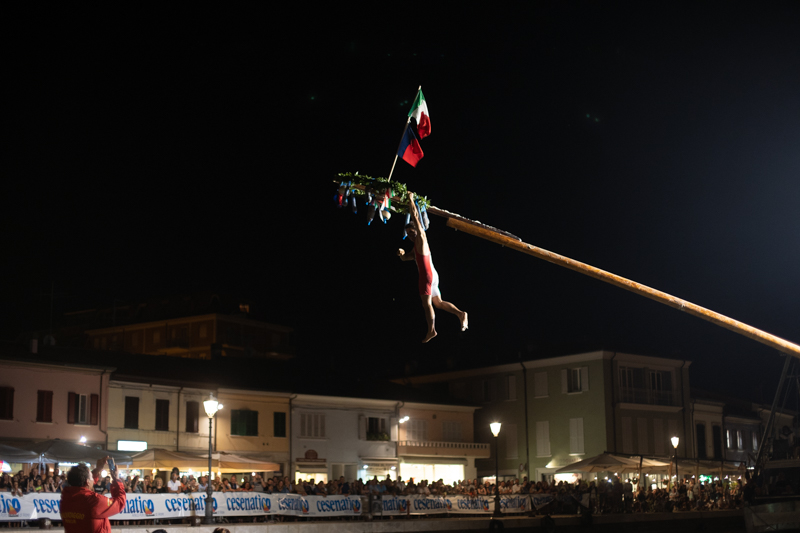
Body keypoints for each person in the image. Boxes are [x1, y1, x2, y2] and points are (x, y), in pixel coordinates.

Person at [397, 191, 468, 342]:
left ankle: (431, 330)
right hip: (433, 275)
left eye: (412, 232)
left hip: (426, 276)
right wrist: (401, 253)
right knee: (438, 303)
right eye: (408, 234)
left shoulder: (421, 238)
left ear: (416, 231)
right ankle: (461, 314)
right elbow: (405, 258)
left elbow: (415, 217)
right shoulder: (415, 248)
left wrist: (410, 200)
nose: (410, 235)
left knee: (426, 304)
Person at [60, 457, 125, 533]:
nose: (94, 480)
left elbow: (82, 485)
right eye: (92, 477)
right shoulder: (94, 501)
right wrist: (116, 480)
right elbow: (120, 502)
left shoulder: (66, 498)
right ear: (87, 481)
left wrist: (97, 470)